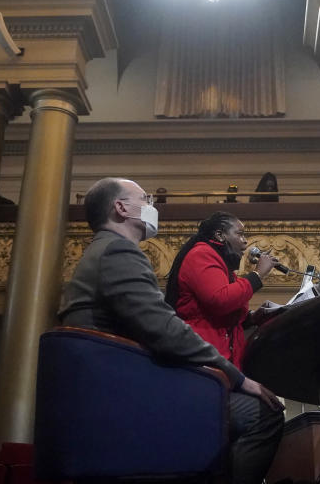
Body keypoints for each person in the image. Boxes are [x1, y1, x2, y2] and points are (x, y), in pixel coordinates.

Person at [59, 178, 284, 484]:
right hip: (126, 394)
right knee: (264, 414)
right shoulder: (118, 253)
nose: (152, 207)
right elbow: (166, 330)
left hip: (117, 384)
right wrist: (238, 379)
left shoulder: (105, 251)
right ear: (122, 208)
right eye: (144, 199)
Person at [163, 212, 277, 369]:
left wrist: (250, 318)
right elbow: (220, 300)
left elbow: (227, 311)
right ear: (220, 235)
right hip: (203, 355)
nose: (245, 242)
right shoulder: (201, 254)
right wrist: (257, 275)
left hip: (217, 353)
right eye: (240, 234)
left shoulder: (219, 261)